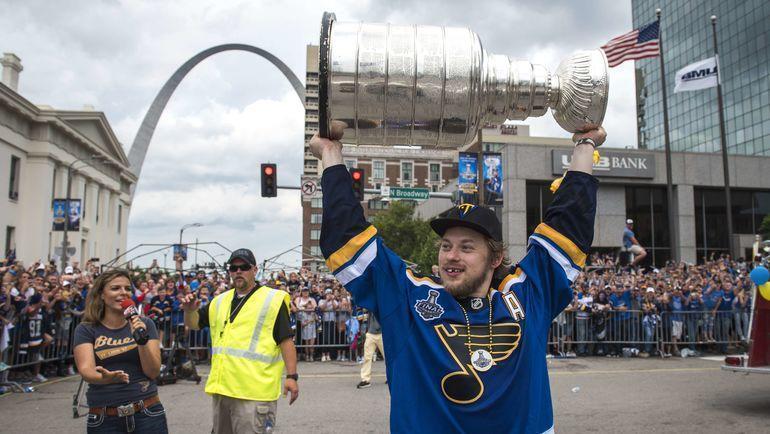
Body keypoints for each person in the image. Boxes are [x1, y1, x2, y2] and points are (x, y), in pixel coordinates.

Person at [310, 123, 604, 433]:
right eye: (446, 246)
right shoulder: (408, 298)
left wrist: (585, 145)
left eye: (467, 248)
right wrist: (330, 154)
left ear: (495, 258)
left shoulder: (527, 295)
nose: (451, 255)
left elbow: (569, 224)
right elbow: (348, 237)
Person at [182, 248, 298, 434]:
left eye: (243, 267)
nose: (238, 271)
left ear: (254, 269)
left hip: (254, 394)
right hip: (223, 391)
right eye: (233, 268)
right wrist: (189, 311)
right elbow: (194, 324)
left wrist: (292, 377)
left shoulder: (271, 300)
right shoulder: (220, 301)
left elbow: (286, 341)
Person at [73, 269, 166, 433]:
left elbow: (152, 372)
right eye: (115, 288)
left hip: (147, 412)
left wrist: (141, 340)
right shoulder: (86, 329)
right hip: (104, 417)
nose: (123, 293)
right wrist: (106, 378)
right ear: (101, 294)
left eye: (127, 288)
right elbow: (86, 370)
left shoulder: (145, 324)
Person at [356, 311, 384, 389]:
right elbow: (361, 316)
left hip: (382, 333)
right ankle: (365, 380)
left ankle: (391, 377)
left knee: (388, 358)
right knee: (367, 357)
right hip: (371, 333)